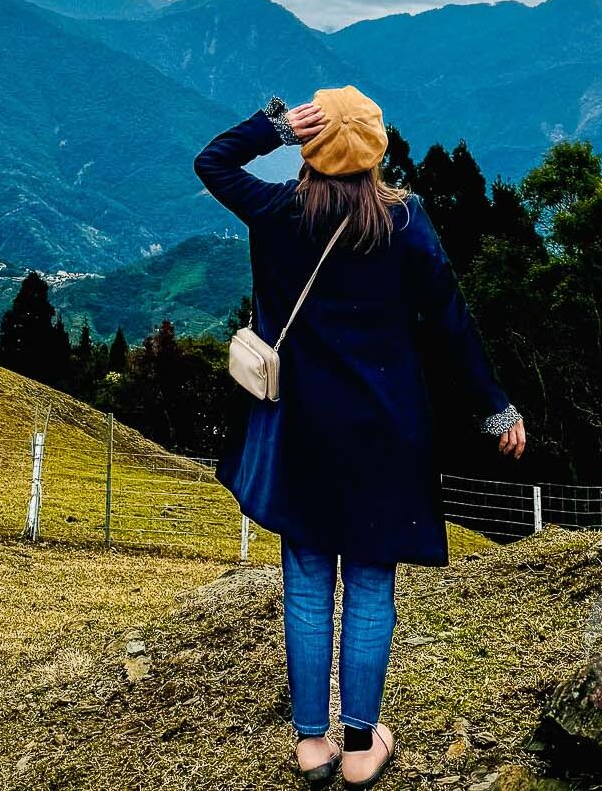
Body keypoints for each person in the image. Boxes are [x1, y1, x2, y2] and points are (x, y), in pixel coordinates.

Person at [193, 87, 526, 789]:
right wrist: (495, 411)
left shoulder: (278, 212)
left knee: (309, 585)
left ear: (312, 147)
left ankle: (312, 745)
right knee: (371, 584)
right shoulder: (405, 223)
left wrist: (272, 129)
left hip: (299, 431)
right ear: (376, 151)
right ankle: (360, 744)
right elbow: (450, 323)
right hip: (386, 431)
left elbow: (213, 163)